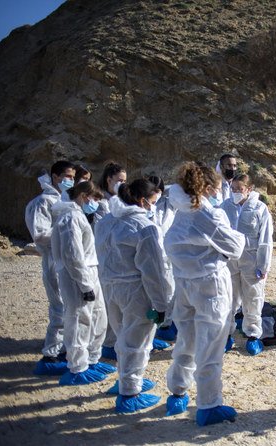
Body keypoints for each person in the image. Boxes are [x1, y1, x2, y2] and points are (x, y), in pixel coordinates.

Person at [164, 162, 245, 426]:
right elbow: (234, 245)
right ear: (207, 188)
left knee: (186, 340)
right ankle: (209, 405)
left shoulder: (180, 211)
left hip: (184, 284)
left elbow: (172, 245)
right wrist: (220, 251)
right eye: (218, 187)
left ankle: (177, 391)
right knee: (211, 344)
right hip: (210, 286)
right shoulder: (206, 214)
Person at [94, 179, 174, 413]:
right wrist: (161, 304)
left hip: (109, 287)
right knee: (137, 342)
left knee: (122, 337)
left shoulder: (107, 220)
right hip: (135, 291)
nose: (153, 207)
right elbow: (153, 271)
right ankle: (130, 392)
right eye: (152, 202)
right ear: (142, 201)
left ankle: (125, 379)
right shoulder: (144, 226)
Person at [50, 181, 114, 385]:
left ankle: (92, 359)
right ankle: (77, 367)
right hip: (77, 276)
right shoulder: (69, 217)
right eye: (94, 199)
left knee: (97, 316)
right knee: (79, 320)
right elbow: (73, 255)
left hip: (89, 272)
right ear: (85, 195)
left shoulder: (78, 215)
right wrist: (85, 285)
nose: (95, 203)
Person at [25, 161, 76, 375]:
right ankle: (50, 353)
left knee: (70, 307)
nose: (70, 181)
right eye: (66, 176)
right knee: (60, 308)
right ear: (54, 177)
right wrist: (66, 234)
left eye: (72, 177)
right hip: (54, 260)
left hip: (67, 261)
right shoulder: (42, 202)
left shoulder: (64, 200)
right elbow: (39, 234)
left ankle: (63, 348)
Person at [220, 174, 273, 356]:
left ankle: (252, 335)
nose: (235, 192)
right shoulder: (225, 207)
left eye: (239, 189)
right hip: (229, 262)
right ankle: (226, 335)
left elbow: (266, 239)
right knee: (228, 299)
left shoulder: (259, 208)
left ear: (249, 189)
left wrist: (263, 265)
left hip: (251, 261)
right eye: (233, 189)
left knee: (253, 299)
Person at [95, 162, 127, 360]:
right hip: (104, 256)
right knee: (108, 304)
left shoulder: (120, 201)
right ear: (109, 179)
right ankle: (108, 343)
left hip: (117, 257)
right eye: (119, 180)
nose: (123, 184)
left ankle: (115, 341)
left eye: (125, 181)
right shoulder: (100, 202)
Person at [146, 174, 179, 342]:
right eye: (153, 191)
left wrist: (163, 190)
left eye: (158, 191)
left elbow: (178, 188)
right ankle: (156, 327)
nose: (156, 194)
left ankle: (165, 326)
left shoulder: (169, 203)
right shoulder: (143, 205)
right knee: (152, 292)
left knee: (169, 291)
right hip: (149, 255)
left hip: (166, 255)